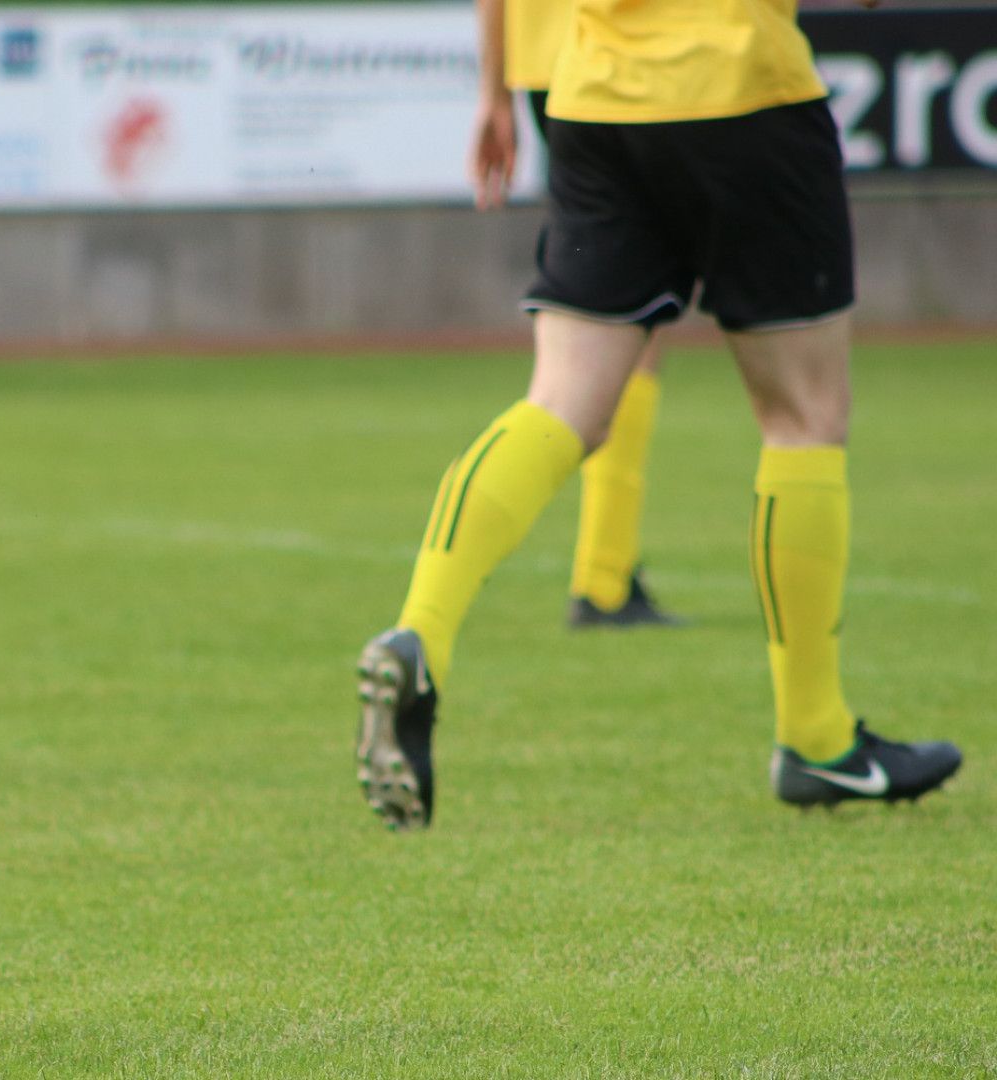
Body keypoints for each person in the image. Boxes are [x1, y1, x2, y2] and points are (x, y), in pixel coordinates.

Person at [354, 0, 962, 831]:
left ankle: (421, 631)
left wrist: (494, 89)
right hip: (741, 87)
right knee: (803, 416)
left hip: (595, 96)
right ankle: (815, 740)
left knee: (560, 400)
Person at [469, 0, 679, 629]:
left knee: (618, 323)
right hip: (627, 58)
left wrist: (495, 94)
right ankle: (603, 576)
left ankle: (607, 569)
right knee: (624, 330)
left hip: (546, 63)